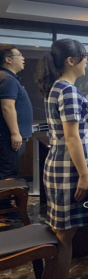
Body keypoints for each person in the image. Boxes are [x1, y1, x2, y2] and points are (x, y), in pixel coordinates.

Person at [35, 38, 88, 279]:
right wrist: (84, 175)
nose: (87, 61)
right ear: (71, 60)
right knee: (65, 233)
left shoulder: (56, 87)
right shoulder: (68, 90)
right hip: (66, 168)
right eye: (84, 56)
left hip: (59, 164)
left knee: (62, 230)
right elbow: (72, 137)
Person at [0, 45, 33, 180]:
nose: (23, 58)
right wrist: (15, 133)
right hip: (8, 138)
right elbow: (7, 107)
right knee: (8, 174)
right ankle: (6, 195)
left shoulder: (8, 78)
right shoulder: (7, 79)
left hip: (8, 137)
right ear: (8, 59)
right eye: (19, 55)